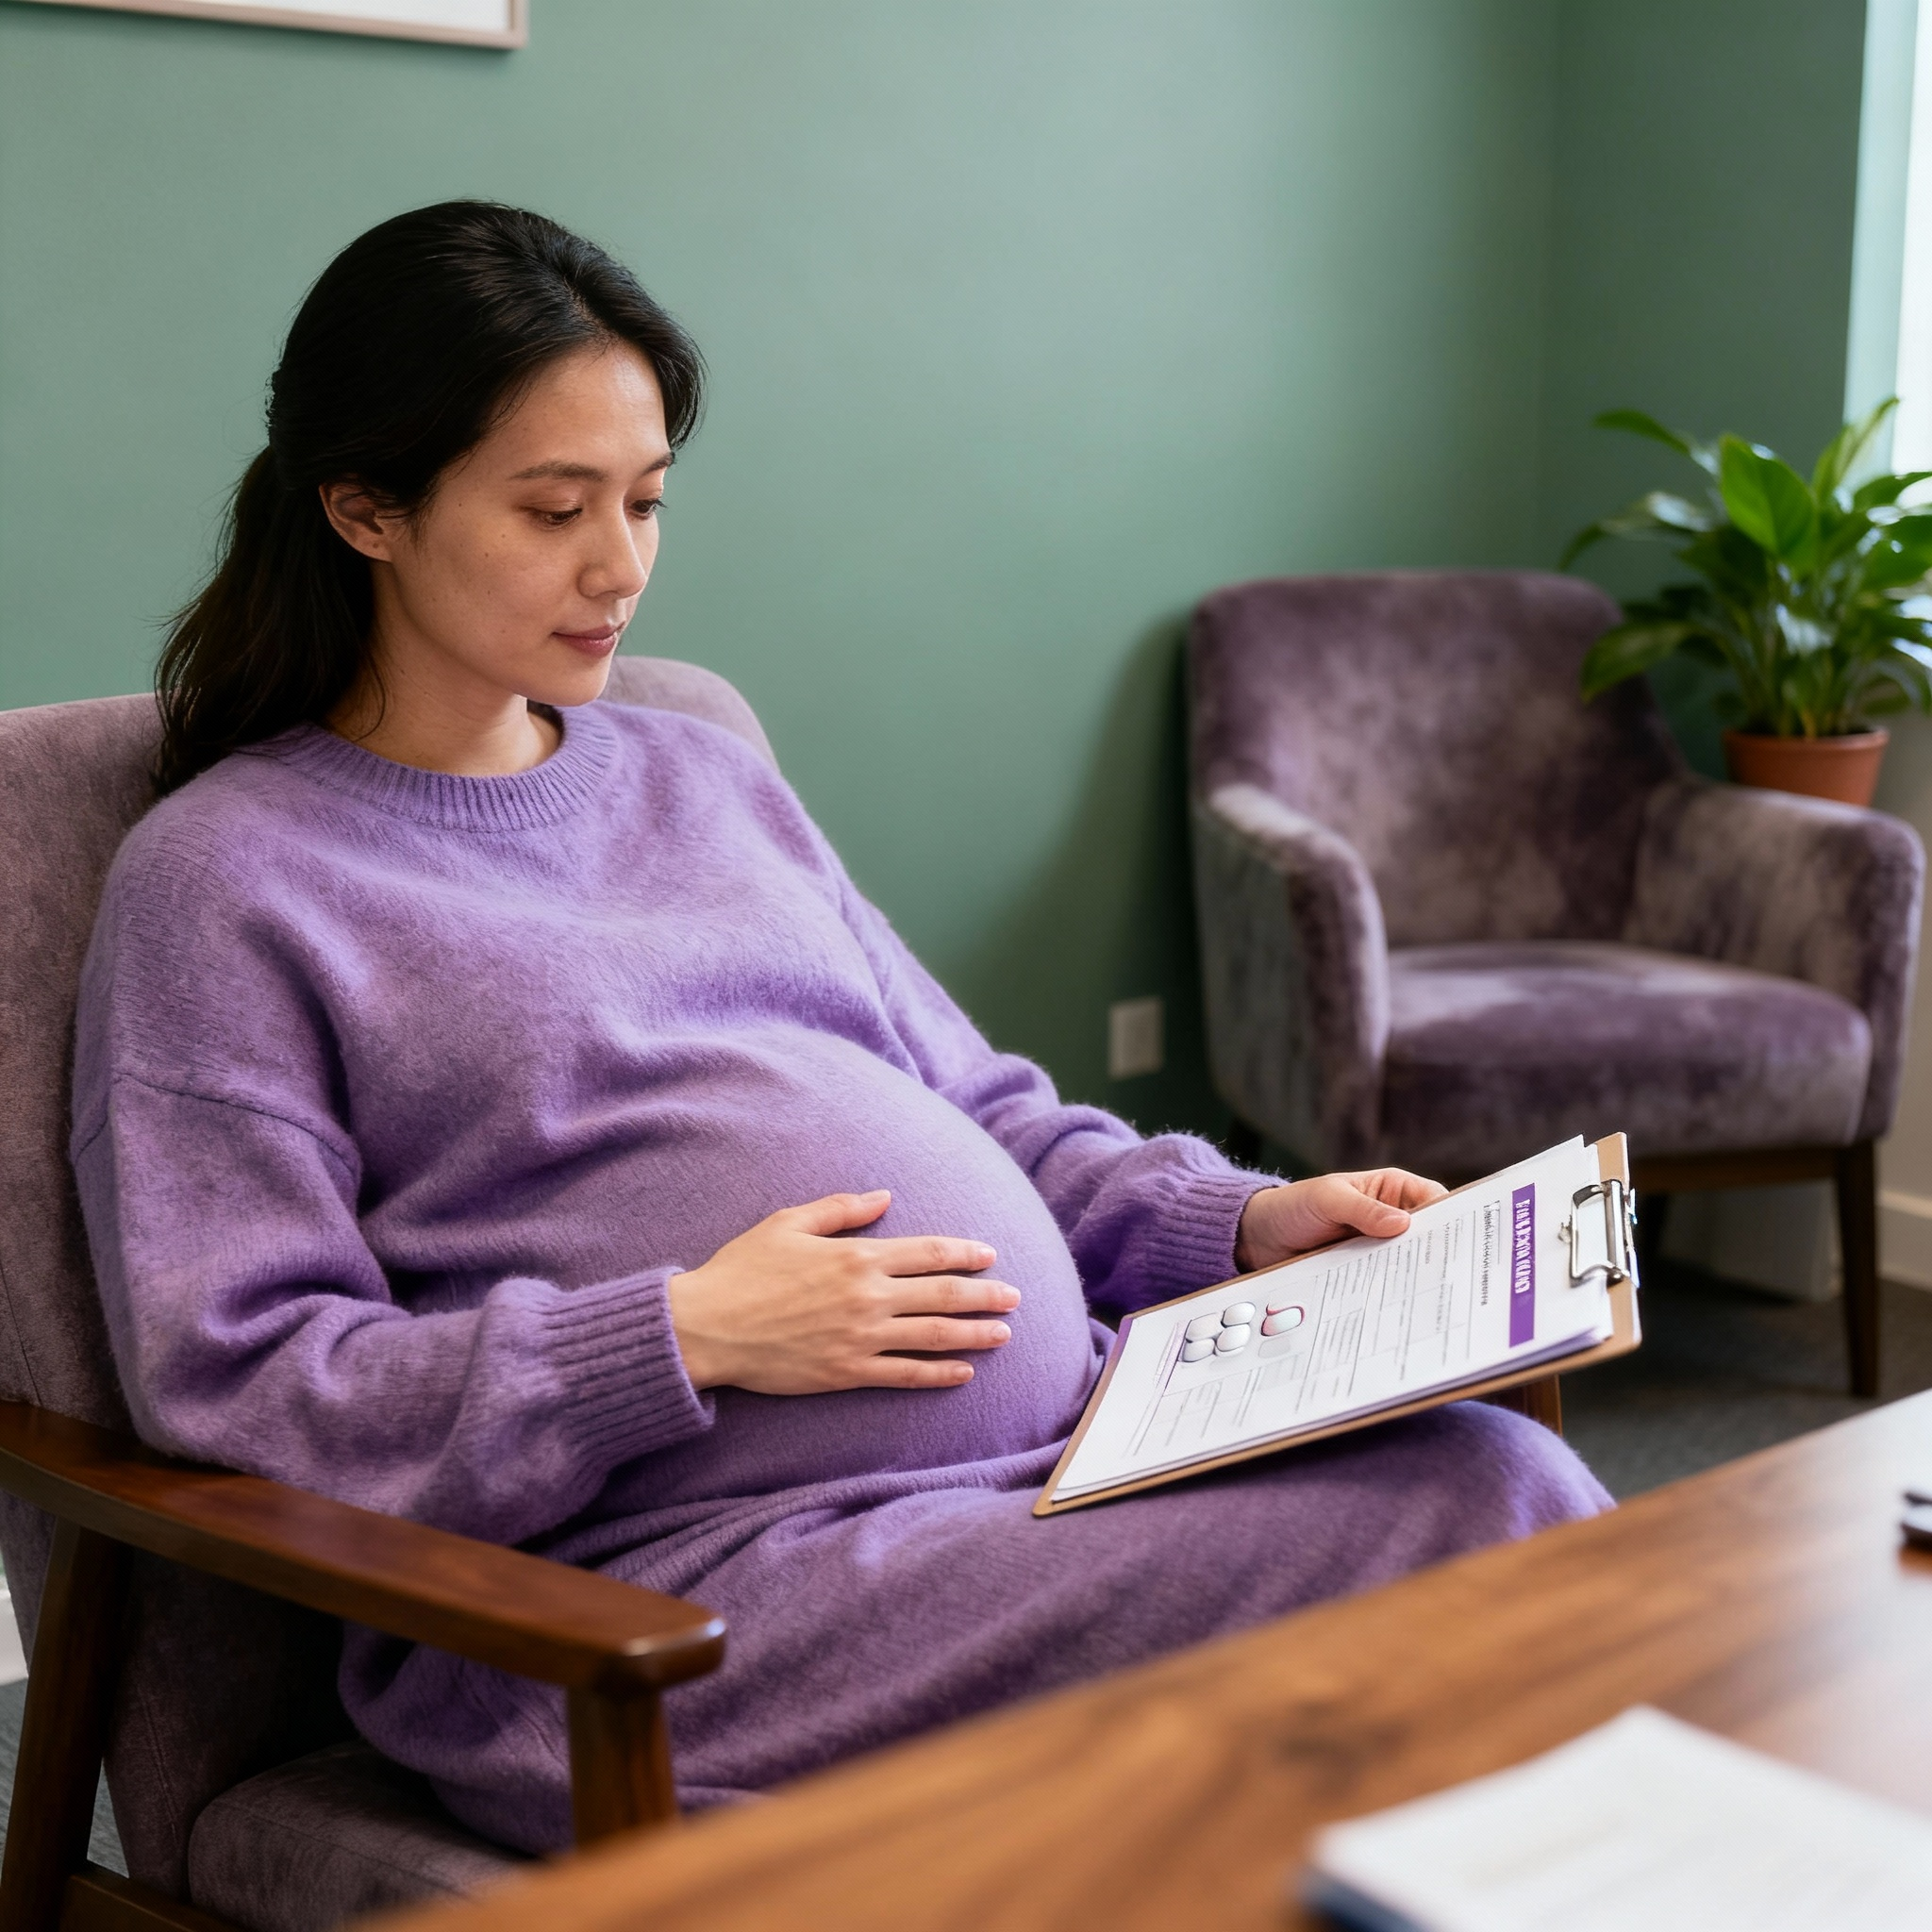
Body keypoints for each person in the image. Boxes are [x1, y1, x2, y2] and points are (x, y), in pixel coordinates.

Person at [72, 202, 1608, 1854]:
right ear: (364, 506)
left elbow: (981, 1106)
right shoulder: (230, 882)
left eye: (648, 500)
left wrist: (1238, 1220)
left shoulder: (699, 772)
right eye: (553, 508)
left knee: (1475, 1473)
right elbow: (242, 1382)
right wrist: (685, 1336)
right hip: (675, 1605)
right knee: (1494, 1529)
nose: (623, 566)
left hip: (1063, 1461)